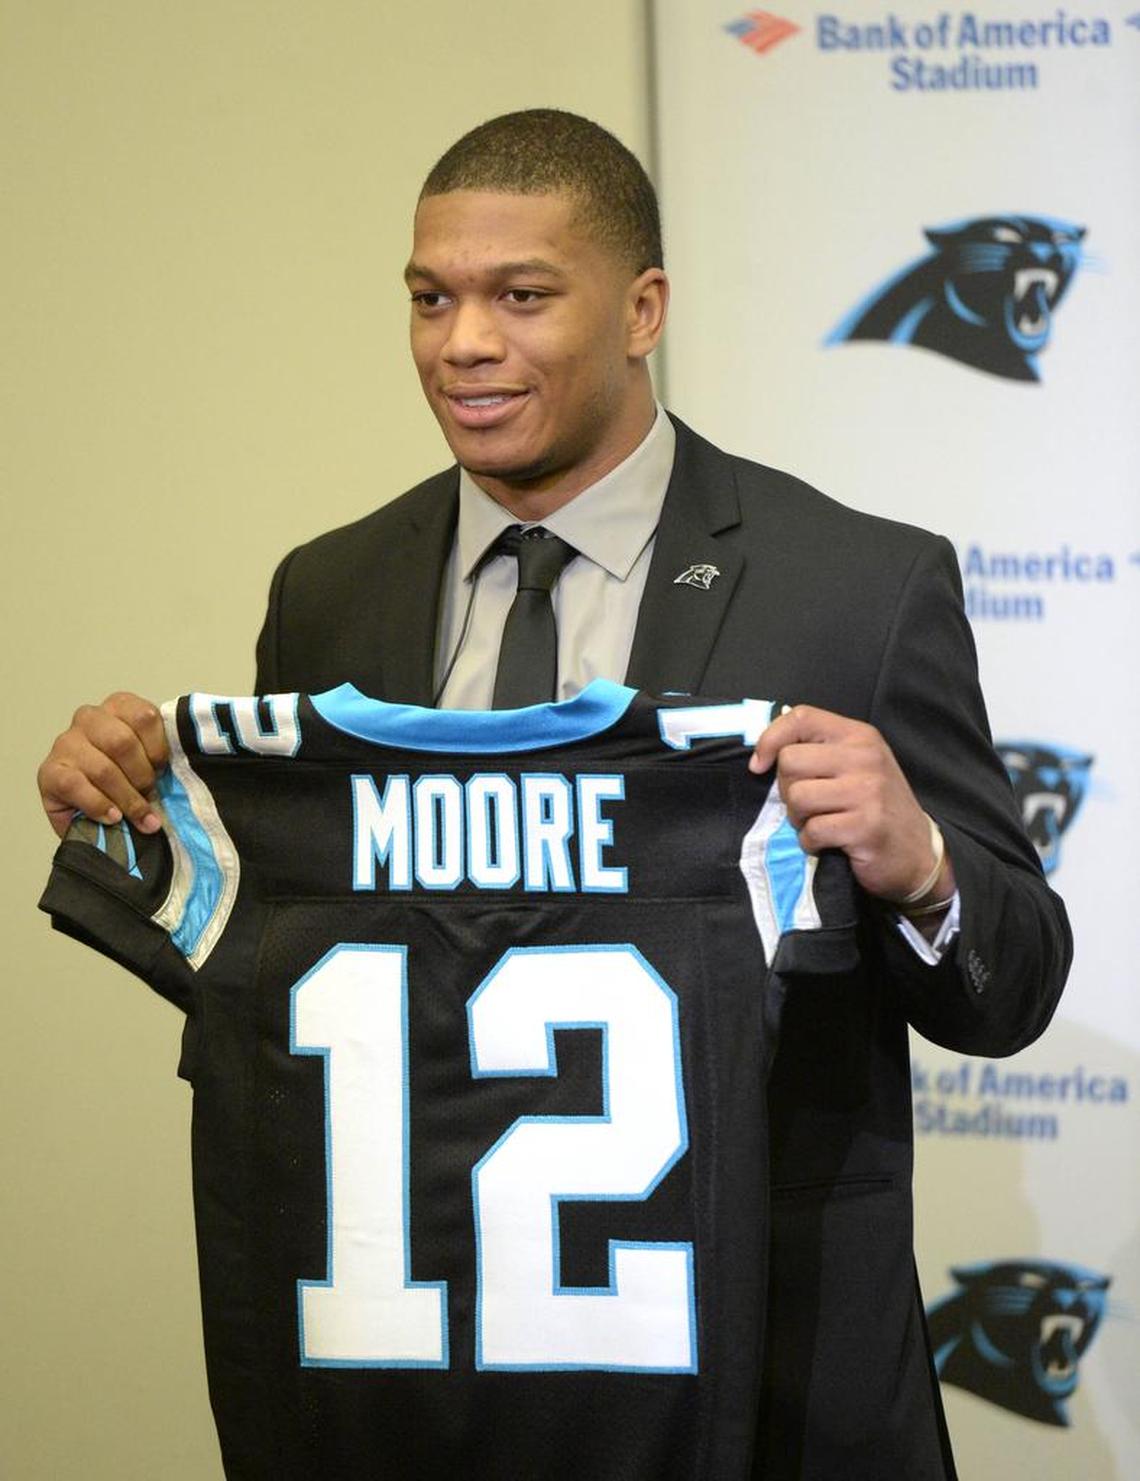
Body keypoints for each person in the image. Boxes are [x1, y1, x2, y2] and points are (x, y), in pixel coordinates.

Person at [38, 109, 1070, 1478]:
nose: (463, 341)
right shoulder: (328, 593)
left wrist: (924, 862)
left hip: (773, 1393)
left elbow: (1010, 987)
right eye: (432, 297)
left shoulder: (858, 588)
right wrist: (144, 820)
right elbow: (314, 983)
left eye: (521, 295)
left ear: (643, 309)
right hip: (420, 1388)